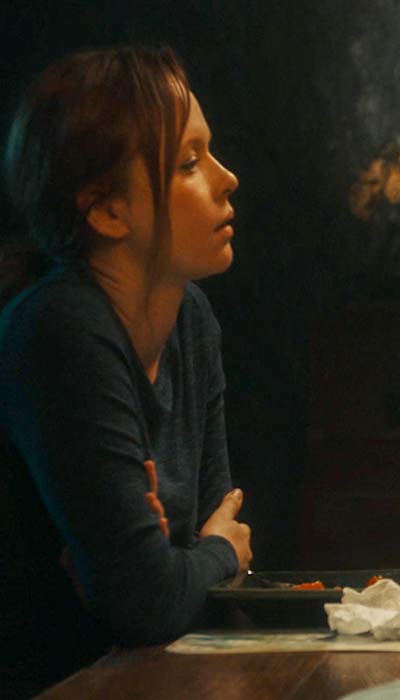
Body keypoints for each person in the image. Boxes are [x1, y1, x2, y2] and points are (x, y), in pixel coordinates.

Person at [0, 46, 252, 694]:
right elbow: (155, 595)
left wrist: (189, 563)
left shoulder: (190, 320)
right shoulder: (59, 330)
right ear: (108, 210)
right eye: (189, 163)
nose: (227, 179)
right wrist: (209, 557)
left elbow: (207, 569)